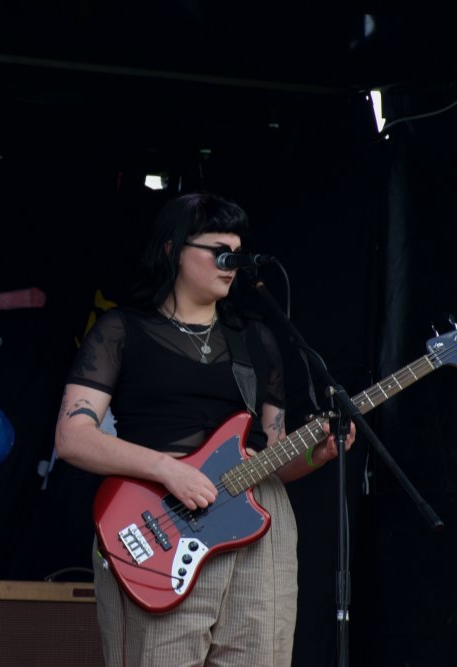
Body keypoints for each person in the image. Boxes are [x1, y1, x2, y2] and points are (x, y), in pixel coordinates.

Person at [54, 192, 354, 667]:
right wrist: (167, 469)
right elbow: (73, 438)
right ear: (173, 249)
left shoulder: (256, 339)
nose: (230, 264)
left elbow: (272, 456)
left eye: (236, 252)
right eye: (218, 251)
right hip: (161, 515)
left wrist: (313, 455)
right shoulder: (123, 330)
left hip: (258, 526)